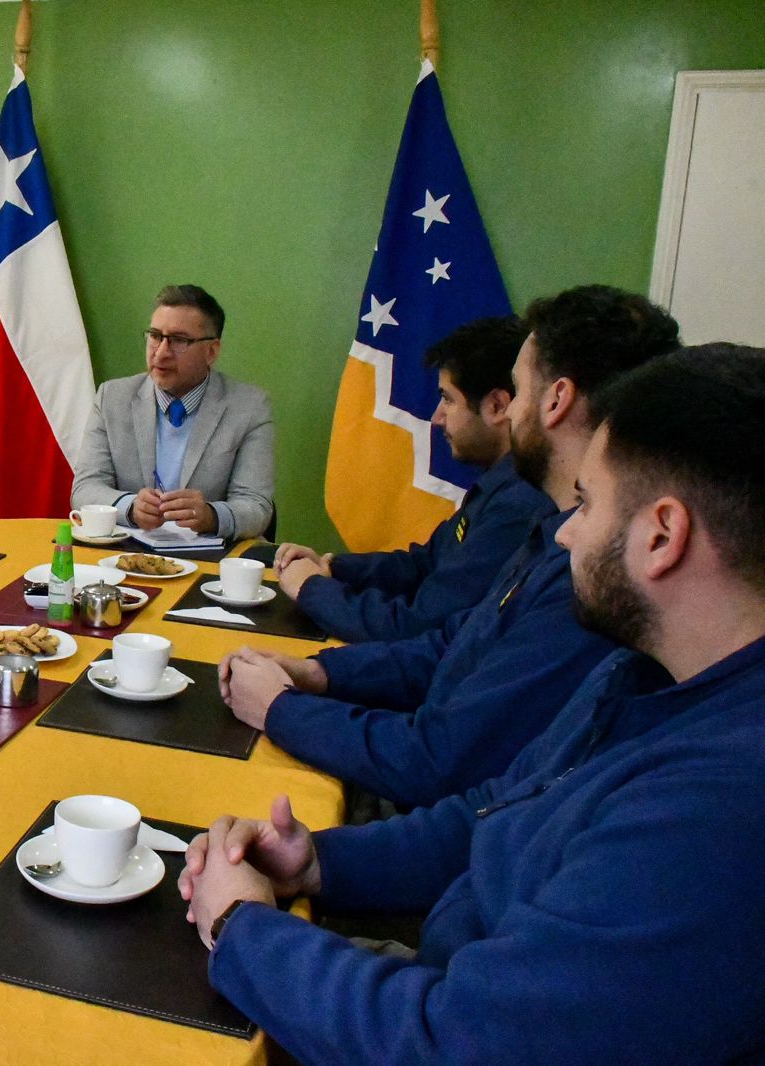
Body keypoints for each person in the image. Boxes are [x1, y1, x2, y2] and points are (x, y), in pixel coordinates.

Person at [179, 344, 765, 1062]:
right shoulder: (642, 673)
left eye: (586, 504)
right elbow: (494, 811)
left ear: (662, 536)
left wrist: (240, 926)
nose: (566, 532)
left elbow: (455, 1044)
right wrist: (317, 864)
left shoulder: (718, 810)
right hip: (437, 972)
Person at [221, 286, 678, 809]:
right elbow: (452, 645)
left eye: (517, 390)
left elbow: (439, 761)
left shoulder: (587, 572)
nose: (510, 411)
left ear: (556, 401)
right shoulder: (550, 526)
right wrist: (322, 672)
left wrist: (281, 708)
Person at [274, 316, 552, 642]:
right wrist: (333, 567)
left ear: (497, 406)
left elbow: (417, 625)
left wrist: (312, 589)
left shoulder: (518, 504)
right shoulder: (498, 484)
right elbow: (424, 563)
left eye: (448, 399)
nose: (436, 418)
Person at [70, 284, 274, 539]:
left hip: (208, 555)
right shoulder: (112, 398)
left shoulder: (249, 407)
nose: (161, 352)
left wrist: (211, 516)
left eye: (179, 340)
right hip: (128, 551)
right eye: (155, 336)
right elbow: (85, 489)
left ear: (211, 351)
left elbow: (257, 507)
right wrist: (130, 506)